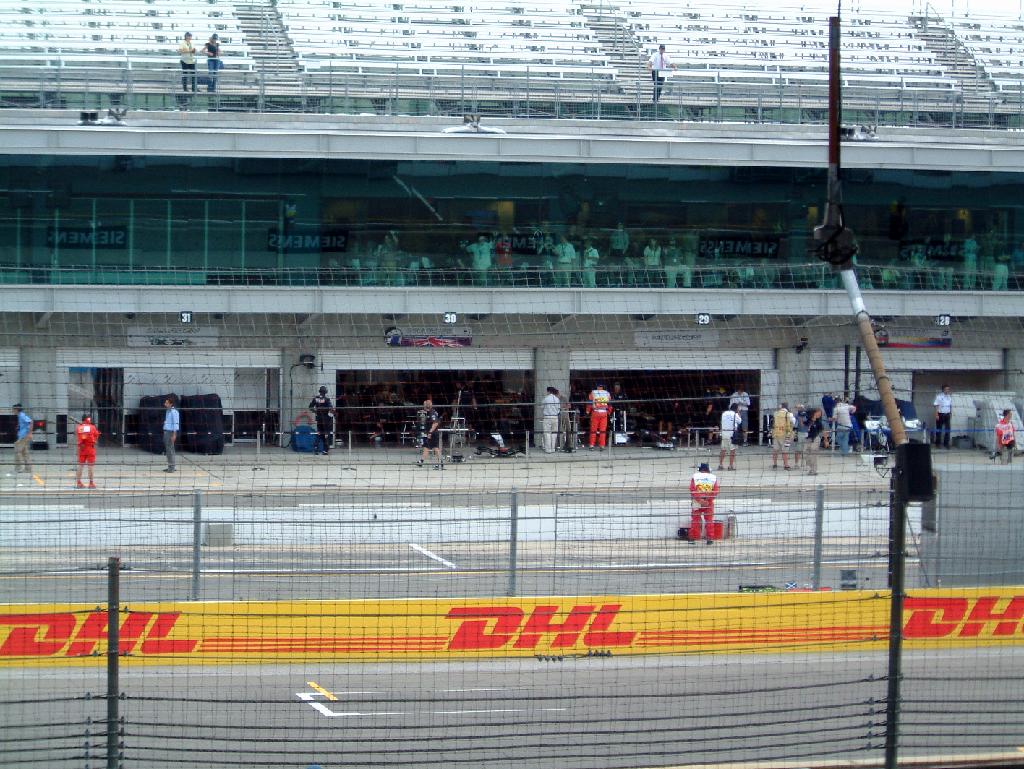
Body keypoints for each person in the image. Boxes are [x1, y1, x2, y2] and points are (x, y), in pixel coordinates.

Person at [688, 462, 719, 545]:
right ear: (708, 470)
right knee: (709, 520)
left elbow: (692, 489)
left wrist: (699, 500)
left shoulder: (695, 476)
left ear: (700, 470)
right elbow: (715, 491)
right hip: (708, 502)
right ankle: (710, 539)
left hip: (696, 501)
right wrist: (708, 500)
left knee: (695, 520)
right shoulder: (713, 477)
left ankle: (693, 539)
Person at [75, 415, 101, 489]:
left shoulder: (79, 427)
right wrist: (97, 434)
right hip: (90, 448)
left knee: (80, 465)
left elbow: (81, 436)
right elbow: (96, 435)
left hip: (81, 448)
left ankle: (78, 483)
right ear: (88, 419)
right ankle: (91, 483)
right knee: (90, 466)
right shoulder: (92, 427)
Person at [308, 386, 334, 455]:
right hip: (326, 419)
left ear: (320, 391)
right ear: (325, 392)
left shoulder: (315, 398)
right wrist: (332, 414)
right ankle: (325, 450)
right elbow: (331, 408)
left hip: (319, 418)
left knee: (319, 433)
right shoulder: (327, 399)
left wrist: (316, 412)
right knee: (326, 434)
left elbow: (310, 407)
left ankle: (316, 447)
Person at [587, 382, 613, 450]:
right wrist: (609, 412)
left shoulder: (593, 392)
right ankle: (602, 446)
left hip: (595, 412)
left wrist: (587, 411)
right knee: (603, 430)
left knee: (593, 430)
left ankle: (591, 445)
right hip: (604, 413)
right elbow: (610, 404)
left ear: (597, 387)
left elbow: (589, 403)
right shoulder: (607, 393)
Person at [416, 399, 442, 468]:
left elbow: (435, 423)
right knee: (426, 447)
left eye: (424, 404)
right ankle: (421, 461)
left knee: (435, 447)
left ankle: (440, 462)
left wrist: (430, 432)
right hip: (428, 432)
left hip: (433, 433)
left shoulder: (432, 413)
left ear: (427, 405)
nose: (423, 405)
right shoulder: (426, 413)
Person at [718, 403, 741, 471]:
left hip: (724, 433)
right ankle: (730, 465)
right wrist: (738, 413)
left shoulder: (724, 413)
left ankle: (720, 465)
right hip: (731, 434)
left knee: (723, 449)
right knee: (732, 450)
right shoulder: (735, 414)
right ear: (736, 408)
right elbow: (740, 421)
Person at [771, 402, 794, 469]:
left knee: (775, 450)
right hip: (785, 435)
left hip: (776, 434)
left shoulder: (775, 413)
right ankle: (786, 465)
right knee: (785, 451)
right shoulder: (789, 414)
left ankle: (775, 464)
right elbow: (793, 422)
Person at [13, 403, 33, 475]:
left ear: (17, 409)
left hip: (24, 436)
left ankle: (18, 468)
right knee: (25, 453)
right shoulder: (20, 416)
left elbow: (31, 422)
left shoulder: (21, 415)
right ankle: (28, 469)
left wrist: (30, 433)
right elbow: (25, 424)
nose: (13, 411)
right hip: (23, 436)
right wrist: (19, 426)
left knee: (17, 451)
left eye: (13, 409)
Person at [804, 407, 825, 476]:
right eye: (818, 413)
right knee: (806, 454)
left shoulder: (819, 422)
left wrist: (826, 440)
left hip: (815, 438)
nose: (819, 414)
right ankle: (811, 467)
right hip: (808, 438)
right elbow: (802, 424)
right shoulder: (808, 420)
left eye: (820, 413)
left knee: (813, 454)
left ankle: (813, 470)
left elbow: (823, 431)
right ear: (813, 413)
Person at [541, 386, 561, 454]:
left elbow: (542, 407)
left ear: (548, 391)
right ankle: (553, 448)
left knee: (547, 433)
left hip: (547, 417)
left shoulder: (546, 399)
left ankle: (548, 449)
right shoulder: (557, 399)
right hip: (555, 417)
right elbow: (558, 409)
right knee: (554, 434)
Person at [933, 384, 953, 449]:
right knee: (939, 429)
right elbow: (936, 405)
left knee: (947, 429)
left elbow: (950, 405)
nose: (947, 390)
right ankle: (938, 444)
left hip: (947, 414)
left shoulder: (949, 397)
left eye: (948, 389)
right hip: (940, 414)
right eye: (946, 389)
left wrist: (950, 413)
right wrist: (936, 414)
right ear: (943, 390)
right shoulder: (939, 396)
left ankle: (946, 443)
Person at [163, 397, 179, 473]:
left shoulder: (174, 412)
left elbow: (175, 424)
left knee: (170, 450)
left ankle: (171, 468)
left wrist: (174, 435)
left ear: (171, 404)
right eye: (165, 402)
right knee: (169, 449)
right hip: (167, 431)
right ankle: (170, 466)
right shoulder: (168, 411)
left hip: (170, 432)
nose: (165, 404)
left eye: (166, 403)